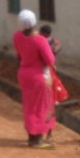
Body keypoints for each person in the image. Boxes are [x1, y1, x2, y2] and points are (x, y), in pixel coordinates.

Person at [12, 9, 57, 149]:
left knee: (29, 105)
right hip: (39, 77)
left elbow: (19, 55)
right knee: (40, 107)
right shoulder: (40, 40)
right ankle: (37, 140)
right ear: (34, 22)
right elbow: (50, 60)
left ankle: (31, 136)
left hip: (23, 74)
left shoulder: (17, 36)